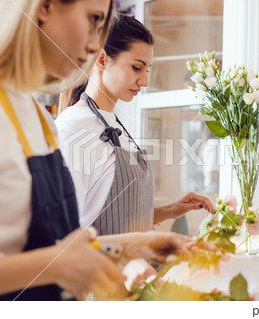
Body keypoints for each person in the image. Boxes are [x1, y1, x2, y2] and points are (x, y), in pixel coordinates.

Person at [0, 0, 202, 301]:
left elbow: (60, 246)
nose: (96, 43)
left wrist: (141, 243)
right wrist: (53, 266)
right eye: (93, 19)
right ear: (44, 7)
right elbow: (55, 260)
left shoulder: (35, 116)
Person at [56, 14, 215, 236]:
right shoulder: (72, 127)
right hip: (101, 270)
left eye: (147, 69)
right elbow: (65, 232)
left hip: (136, 269)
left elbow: (121, 218)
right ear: (101, 60)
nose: (145, 81)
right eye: (136, 68)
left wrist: (171, 210)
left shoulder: (114, 123)